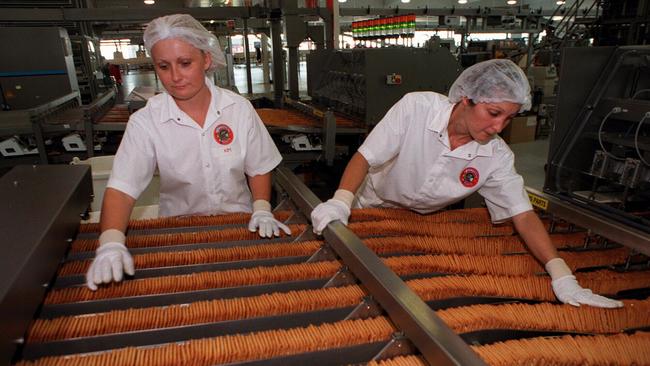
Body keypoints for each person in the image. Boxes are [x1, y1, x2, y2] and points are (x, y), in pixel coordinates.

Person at [311, 59, 623, 309]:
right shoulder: (416, 109)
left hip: (422, 223)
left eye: (509, 118)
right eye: (494, 112)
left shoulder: (496, 156)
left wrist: (560, 273)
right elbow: (365, 156)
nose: (498, 126)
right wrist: (341, 201)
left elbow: (523, 214)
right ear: (467, 99)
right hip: (372, 205)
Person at [86, 14, 290, 290]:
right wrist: (110, 242)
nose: (175, 77)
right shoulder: (147, 122)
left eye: (185, 63)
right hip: (179, 235)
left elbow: (259, 166)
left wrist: (262, 208)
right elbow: (122, 188)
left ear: (206, 60)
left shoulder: (237, 109)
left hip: (240, 227)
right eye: (163, 66)